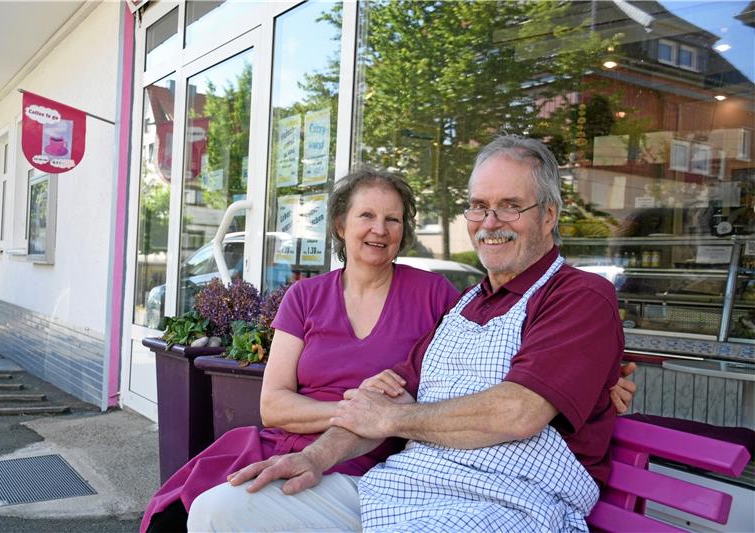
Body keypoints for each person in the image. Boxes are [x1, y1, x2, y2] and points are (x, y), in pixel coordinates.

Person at [187, 134, 629, 532]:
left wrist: (393, 419)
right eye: (478, 205)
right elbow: (382, 402)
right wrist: (314, 457)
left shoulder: (579, 296)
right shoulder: (465, 304)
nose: (490, 221)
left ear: (549, 215)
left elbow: (518, 412)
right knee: (219, 511)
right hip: (402, 486)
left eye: (510, 205)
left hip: (508, 501)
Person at [141, 168, 462, 532]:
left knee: (218, 513)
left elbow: (458, 382)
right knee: (170, 520)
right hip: (275, 445)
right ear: (340, 224)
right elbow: (273, 405)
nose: (380, 229)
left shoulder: (435, 295)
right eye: (367, 215)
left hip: (360, 462)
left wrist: (378, 420)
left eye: (393, 219)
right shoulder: (304, 296)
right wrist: (360, 410)